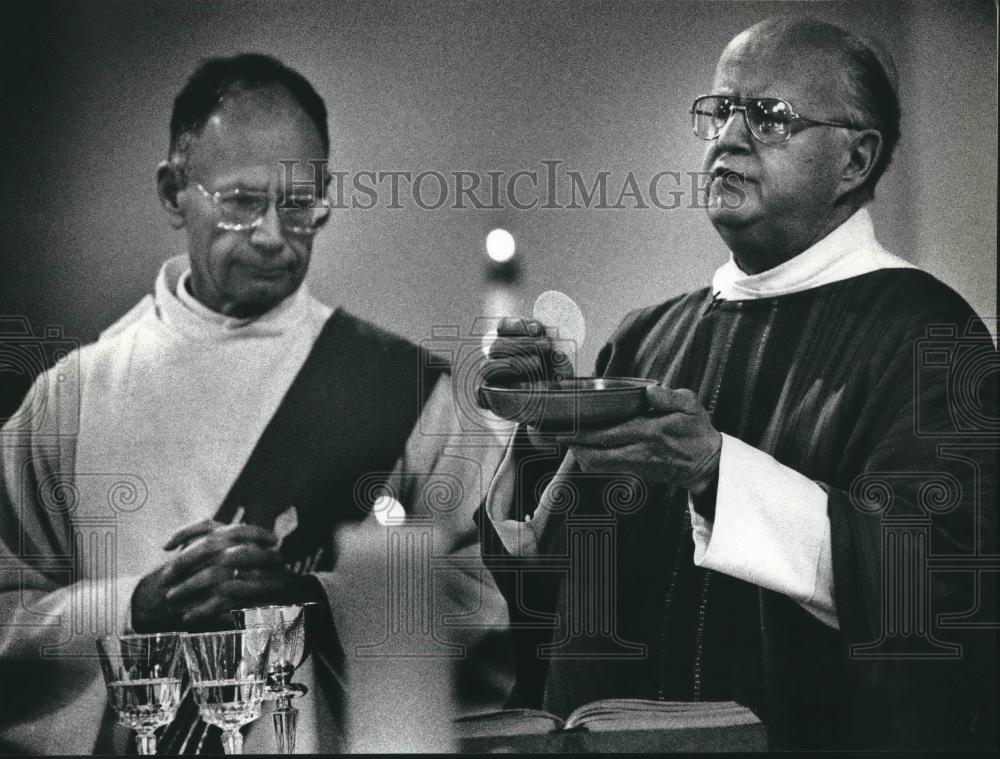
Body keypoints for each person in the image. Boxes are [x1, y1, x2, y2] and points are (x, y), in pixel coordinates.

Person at [479, 17, 996, 751]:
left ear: (856, 159)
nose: (728, 136)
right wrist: (547, 432)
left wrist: (716, 472)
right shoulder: (647, 335)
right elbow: (558, 599)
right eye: (721, 110)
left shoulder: (932, 336)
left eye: (770, 116)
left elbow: (935, 594)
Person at [0, 54, 512, 754]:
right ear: (174, 191)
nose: (274, 235)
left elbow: (480, 615)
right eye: (242, 203)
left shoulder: (405, 390)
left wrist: (316, 599)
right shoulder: (72, 398)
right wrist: (136, 607)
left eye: (299, 204)